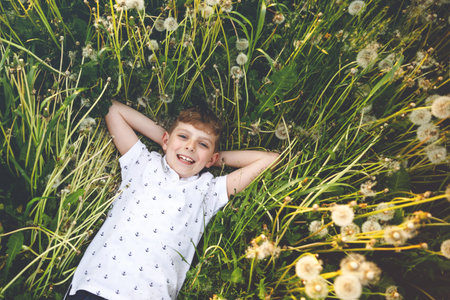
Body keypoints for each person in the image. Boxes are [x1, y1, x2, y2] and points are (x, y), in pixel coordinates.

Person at [65, 100, 279, 299]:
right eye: (183, 137)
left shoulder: (209, 191)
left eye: (203, 145)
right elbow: (112, 109)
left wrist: (215, 161)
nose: (190, 147)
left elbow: (269, 160)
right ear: (167, 140)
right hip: (96, 286)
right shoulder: (142, 162)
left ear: (212, 157)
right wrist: (164, 139)